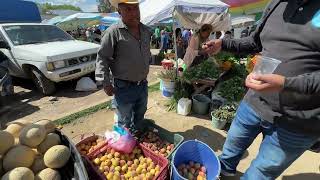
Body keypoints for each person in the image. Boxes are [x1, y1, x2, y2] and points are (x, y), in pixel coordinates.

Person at [203, 0, 320, 179]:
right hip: (254, 103)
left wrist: (286, 83)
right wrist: (224, 44)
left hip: (297, 122)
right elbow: (255, 41)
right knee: (229, 153)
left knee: (259, 175)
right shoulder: (277, 4)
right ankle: (224, 173)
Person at [95, 0, 151, 134]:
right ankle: (124, 147)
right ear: (119, 12)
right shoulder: (113, 32)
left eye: (136, 8)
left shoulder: (145, 30)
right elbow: (102, 57)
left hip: (142, 85)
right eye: (128, 9)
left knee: (140, 115)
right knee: (124, 122)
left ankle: (137, 138)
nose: (134, 13)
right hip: (123, 87)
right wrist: (105, 82)